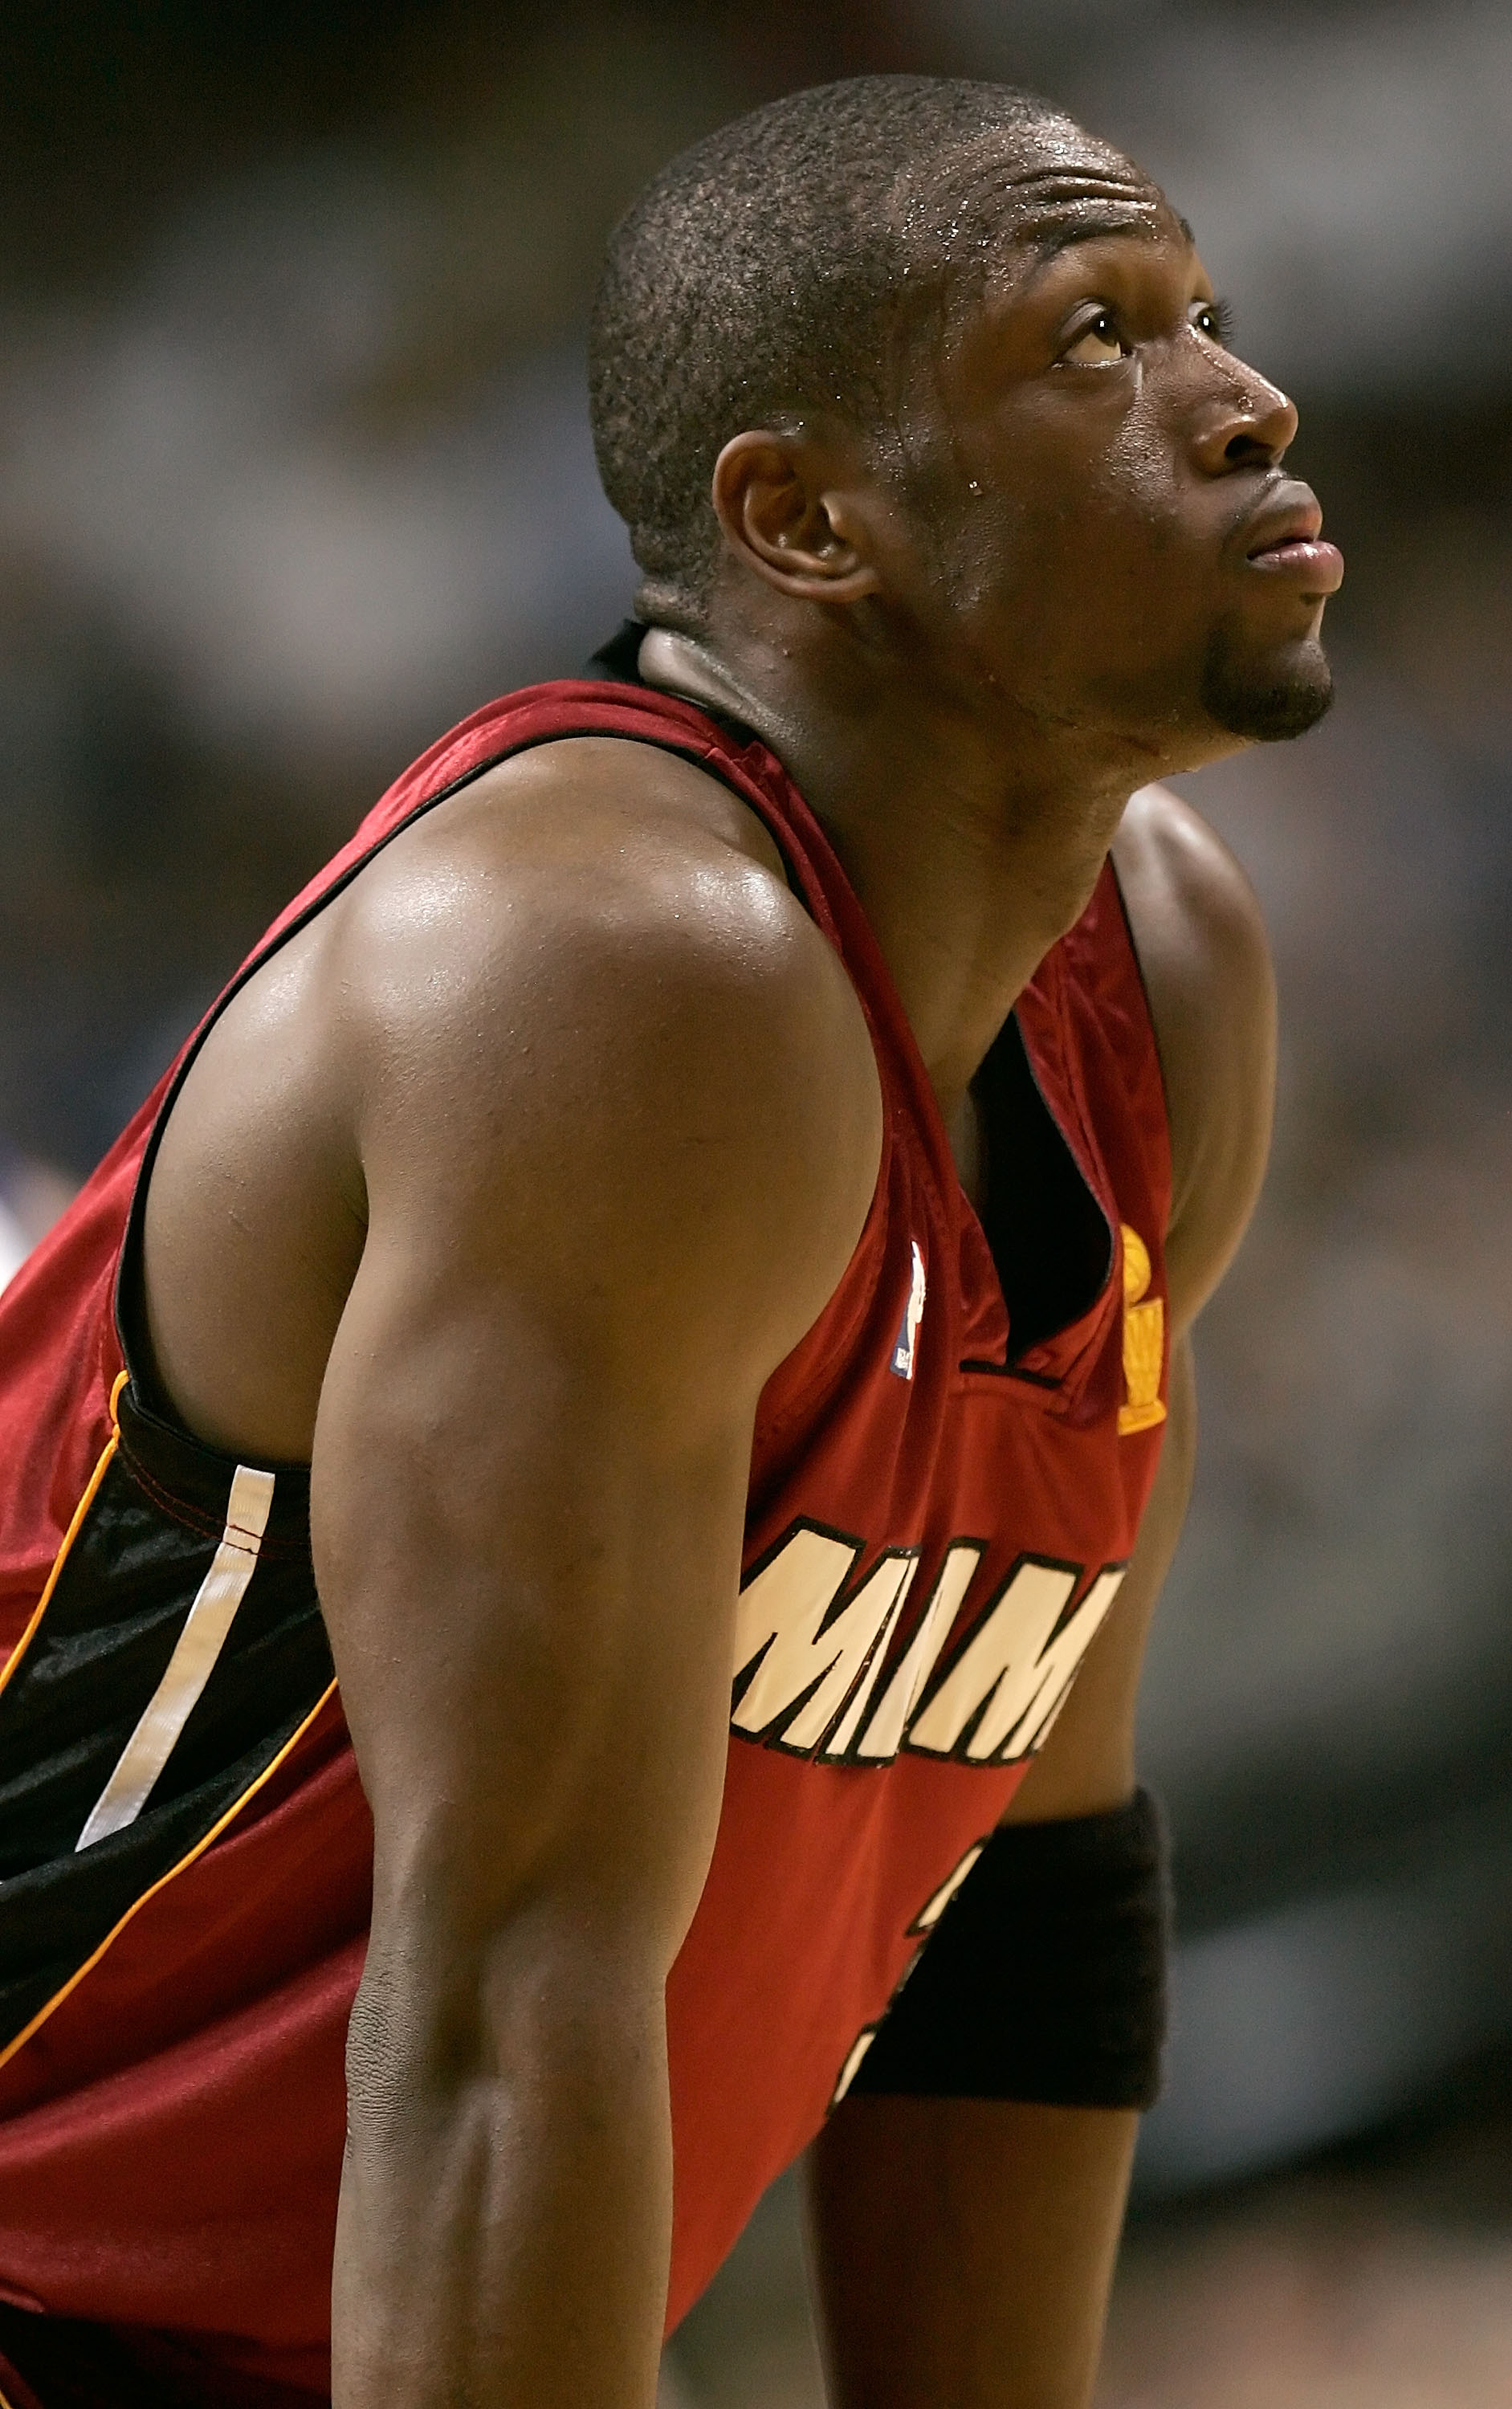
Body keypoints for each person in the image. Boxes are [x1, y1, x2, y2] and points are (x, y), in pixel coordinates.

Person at [0, 72, 1338, 2409]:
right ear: (806, 519)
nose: (1241, 401)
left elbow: (1017, 1893)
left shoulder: (1164, 977)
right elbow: (508, 2010)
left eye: (1202, 316)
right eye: (1094, 341)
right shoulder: (617, 972)